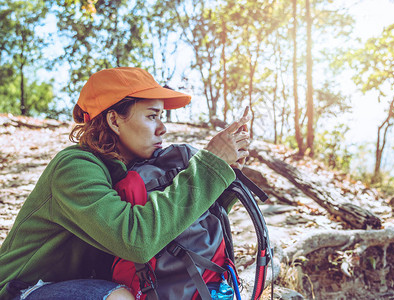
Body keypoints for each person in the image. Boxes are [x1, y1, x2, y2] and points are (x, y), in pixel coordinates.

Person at [0, 67, 251, 300]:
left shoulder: (133, 172)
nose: (162, 128)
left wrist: (222, 180)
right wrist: (209, 167)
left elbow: (177, 225)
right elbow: (136, 241)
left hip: (81, 284)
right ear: (114, 120)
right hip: (23, 289)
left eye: (162, 116)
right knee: (119, 296)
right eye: (152, 116)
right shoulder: (74, 167)